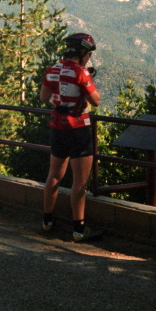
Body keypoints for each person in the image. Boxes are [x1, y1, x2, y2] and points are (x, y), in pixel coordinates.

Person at [40, 32, 103, 242]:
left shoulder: (52, 69)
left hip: (58, 127)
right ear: (82, 52)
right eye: (89, 54)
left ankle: (47, 221)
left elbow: (44, 97)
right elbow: (96, 101)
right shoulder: (81, 72)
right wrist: (87, 79)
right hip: (78, 128)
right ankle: (79, 229)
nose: (89, 58)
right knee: (79, 182)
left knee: (54, 175)